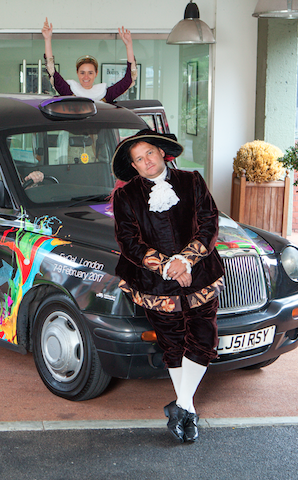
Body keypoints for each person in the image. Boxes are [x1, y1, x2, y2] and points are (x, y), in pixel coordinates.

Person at [110, 129, 225, 443]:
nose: (146, 161)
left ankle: (182, 405)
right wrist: (167, 267)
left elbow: (209, 222)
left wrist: (185, 261)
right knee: (172, 343)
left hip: (198, 274)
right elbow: (128, 242)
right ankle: (187, 412)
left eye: (149, 153)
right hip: (154, 283)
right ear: (133, 167)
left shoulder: (192, 181)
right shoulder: (125, 196)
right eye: (138, 159)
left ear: (161, 152)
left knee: (205, 339)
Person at [41, 18, 137, 103]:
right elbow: (52, 71)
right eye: (82, 72)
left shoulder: (105, 94)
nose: (86, 77)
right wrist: (47, 39)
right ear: (77, 73)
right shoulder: (70, 91)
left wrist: (129, 45)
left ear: (96, 73)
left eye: (90, 73)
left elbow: (128, 79)